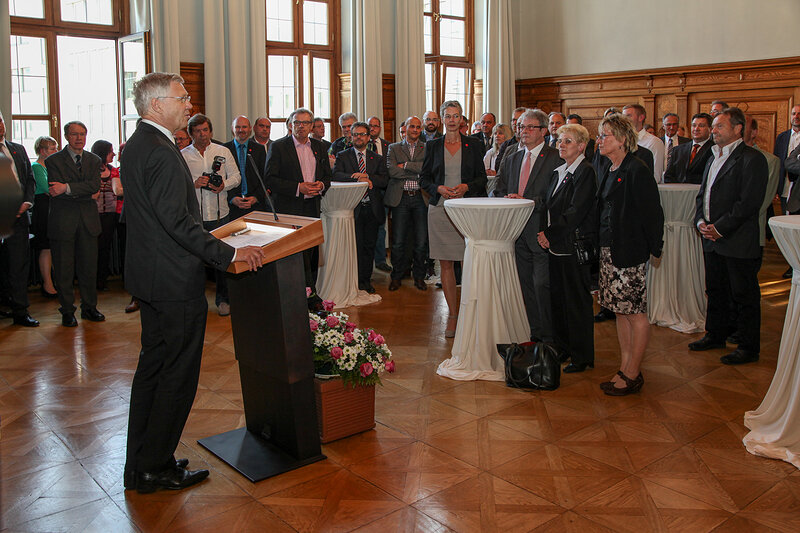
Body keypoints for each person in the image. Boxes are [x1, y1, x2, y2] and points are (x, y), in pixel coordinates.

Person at [122, 71, 264, 494]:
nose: (188, 104)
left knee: (153, 369)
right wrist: (230, 254)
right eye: (182, 98)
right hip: (172, 280)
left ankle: (144, 460)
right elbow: (179, 222)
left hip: (150, 277)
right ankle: (154, 468)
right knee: (176, 375)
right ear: (157, 104)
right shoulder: (163, 151)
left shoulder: (139, 143)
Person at [689, 107, 767, 366]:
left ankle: (747, 345)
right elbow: (703, 195)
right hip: (711, 237)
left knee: (743, 294)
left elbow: (748, 203)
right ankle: (715, 334)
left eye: (719, 126)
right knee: (716, 289)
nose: (713, 130)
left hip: (736, 239)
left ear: (737, 128)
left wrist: (719, 227)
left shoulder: (751, 159)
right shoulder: (713, 156)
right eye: (714, 126)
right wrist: (701, 221)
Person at [595, 113, 664, 395]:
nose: (599, 141)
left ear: (622, 139)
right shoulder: (609, 167)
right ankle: (625, 366)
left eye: (605, 136)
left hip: (630, 250)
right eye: (599, 135)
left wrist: (653, 249)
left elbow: (653, 213)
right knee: (620, 312)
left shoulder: (637, 169)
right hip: (610, 250)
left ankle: (633, 372)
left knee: (635, 313)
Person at [420, 100, 487, 338]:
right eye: (447, 116)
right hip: (440, 209)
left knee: (468, 260)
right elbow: (424, 179)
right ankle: (453, 315)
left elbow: (482, 179)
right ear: (441, 119)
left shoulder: (475, 144)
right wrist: (437, 188)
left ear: (462, 119)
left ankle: (471, 312)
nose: (451, 120)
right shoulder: (433, 146)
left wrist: (466, 186)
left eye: (455, 116)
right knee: (446, 263)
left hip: (466, 209)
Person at [495, 108, 562, 343]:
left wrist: (528, 201)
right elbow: (498, 189)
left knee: (542, 285)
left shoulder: (556, 157)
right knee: (525, 287)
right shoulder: (512, 157)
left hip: (542, 231)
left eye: (529, 127)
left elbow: (558, 197)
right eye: (521, 127)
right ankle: (534, 334)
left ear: (543, 131)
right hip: (515, 232)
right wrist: (505, 199)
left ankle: (550, 338)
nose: (523, 131)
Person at [537, 123, 597, 373]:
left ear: (581, 146)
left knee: (576, 303)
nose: (561, 145)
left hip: (572, 245)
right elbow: (547, 205)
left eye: (567, 141)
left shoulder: (586, 172)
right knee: (558, 300)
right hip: (555, 245)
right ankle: (563, 347)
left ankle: (582, 355)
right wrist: (544, 232)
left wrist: (549, 234)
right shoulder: (559, 171)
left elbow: (576, 211)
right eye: (559, 140)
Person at [265, 107, 332, 294]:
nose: (300, 126)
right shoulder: (278, 147)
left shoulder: (319, 147)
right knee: (293, 254)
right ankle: (294, 293)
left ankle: (312, 294)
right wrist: (298, 187)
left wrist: (321, 185)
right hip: (289, 208)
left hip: (312, 206)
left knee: (312, 253)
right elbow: (270, 179)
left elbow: (327, 176)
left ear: (312, 126)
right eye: (297, 123)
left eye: (305, 123)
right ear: (290, 125)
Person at [45, 120, 105, 327]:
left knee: (89, 268)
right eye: (74, 134)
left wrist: (67, 188)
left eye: (82, 134)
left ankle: (90, 308)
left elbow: (94, 186)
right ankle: (67, 311)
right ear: (66, 137)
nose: (79, 138)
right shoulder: (53, 161)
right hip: (63, 222)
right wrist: (82, 190)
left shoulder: (94, 160)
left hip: (88, 222)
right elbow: (55, 188)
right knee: (64, 269)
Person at [182, 113, 241, 316]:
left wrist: (224, 184)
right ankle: (194, 302)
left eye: (205, 130)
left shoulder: (222, 151)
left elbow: (236, 177)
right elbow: (178, 185)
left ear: (211, 131)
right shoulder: (183, 155)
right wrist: (193, 184)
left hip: (220, 214)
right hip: (195, 216)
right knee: (194, 262)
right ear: (191, 134)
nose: (202, 135)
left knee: (222, 260)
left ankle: (223, 299)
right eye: (197, 131)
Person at [333, 121, 388, 293]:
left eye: (362, 134)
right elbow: (336, 175)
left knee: (369, 247)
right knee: (354, 247)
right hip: (352, 209)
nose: (358, 137)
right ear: (350, 136)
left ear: (368, 137)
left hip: (371, 209)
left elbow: (384, 180)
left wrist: (367, 176)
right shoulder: (343, 156)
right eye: (355, 134)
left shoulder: (377, 158)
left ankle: (366, 280)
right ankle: (354, 281)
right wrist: (355, 178)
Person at [0, 110, 38, 327]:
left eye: (1, 121)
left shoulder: (18, 149)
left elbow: (30, 180)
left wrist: (27, 202)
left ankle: (20, 312)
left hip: (19, 218)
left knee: (18, 265)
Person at [386, 116, 427, 291]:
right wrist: (415, 171)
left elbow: (426, 170)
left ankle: (419, 277)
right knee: (398, 241)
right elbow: (392, 171)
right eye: (412, 126)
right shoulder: (394, 148)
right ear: (405, 128)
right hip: (401, 198)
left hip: (420, 198)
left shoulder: (427, 148)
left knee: (421, 241)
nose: (415, 130)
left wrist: (405, 165)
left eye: (418, 127)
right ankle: (396, 276)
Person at [222, 115, 267, 221]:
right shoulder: (224, 149)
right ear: (232, 129)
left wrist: (256, 198)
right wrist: (232, 198)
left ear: (250, 129)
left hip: (255, 205)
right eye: (237, 127)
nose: (241, 130)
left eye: (244, 127)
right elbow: (222, 178)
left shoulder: (259, 149)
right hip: (231, 206)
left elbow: (264, 177)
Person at [31, 135, 59, 298]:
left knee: (53, 247)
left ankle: (53, 281)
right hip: (43, 210)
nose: (56, 151)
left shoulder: (48, 167)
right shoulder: (36, 167)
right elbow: (48, 188)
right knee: (46, 247)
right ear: (42, 151)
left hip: (51, 209)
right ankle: (47, 283)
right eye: (52, 149)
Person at [90, 140, 119, 292]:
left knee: (105, 248)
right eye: (110, 151)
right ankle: (91, 280)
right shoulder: (90, 169)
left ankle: (102, 280)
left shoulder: (113, 170)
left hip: (109, 214)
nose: (113, 154)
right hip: (92, 215)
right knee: (91, 248)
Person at [663, 113, 714, 184]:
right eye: (694, 125)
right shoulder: (678, 150)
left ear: (710, 129)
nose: (696, 129)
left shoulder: (714, 149)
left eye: (701, 126)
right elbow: (669, 176)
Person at [622, 104, 665, 181]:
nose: (625, 120)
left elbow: (655, 175)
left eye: (628, 116)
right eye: (623, 117)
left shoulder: (654, 142)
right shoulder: (621, 141)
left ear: (641, 117)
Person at [483, 123, 512, 196]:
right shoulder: (490, 152)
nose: (497, 136)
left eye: (500, 133)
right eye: (495, 133)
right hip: (490, 184)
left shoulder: (511, 151)